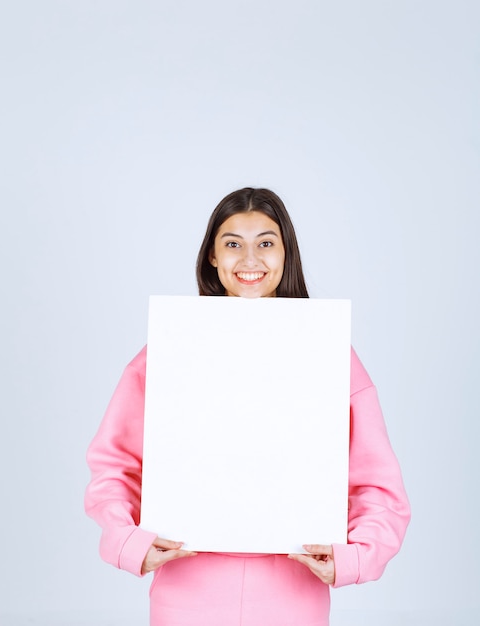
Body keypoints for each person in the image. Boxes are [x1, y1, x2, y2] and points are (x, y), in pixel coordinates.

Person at [85, 187, 410, 626]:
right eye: (233, 243)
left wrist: (358, 557)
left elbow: (376, 482)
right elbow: (115, 463)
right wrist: (126, 540)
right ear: (212, 258)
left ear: (286, 254)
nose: (250, 258)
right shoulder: (169, 349)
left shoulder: (328, 353)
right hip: (187, 589)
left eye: (266, 242)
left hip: (293, 594)